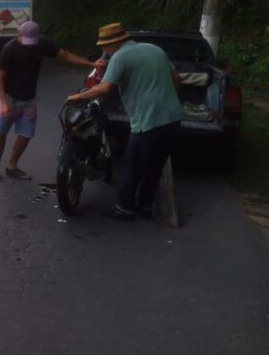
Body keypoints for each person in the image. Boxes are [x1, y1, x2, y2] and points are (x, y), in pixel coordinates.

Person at [66, 23, 182, 221]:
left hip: (148, 119)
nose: (104, 50)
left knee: (132, 164)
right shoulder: (155, 49)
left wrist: (76, 97)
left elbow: (105, 88)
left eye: (105, 46)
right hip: (173, 117)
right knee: (155, 164)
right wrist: (168, 98)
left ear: (115, 43)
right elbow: (176, 78)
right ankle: (145, 204)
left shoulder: (120, 56)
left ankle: (125, 208)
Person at [0, 21, 102, 181]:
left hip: (29, 99)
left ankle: (11, 166)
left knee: (26, 134)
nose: (29, 45)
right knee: (0, 133)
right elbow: (0, 77)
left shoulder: (43, 44)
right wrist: (4, 102)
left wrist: (91, 64)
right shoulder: (9, 49)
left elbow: (66, 56)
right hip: (9, 97)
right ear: (18, 35)